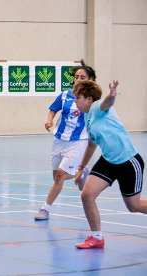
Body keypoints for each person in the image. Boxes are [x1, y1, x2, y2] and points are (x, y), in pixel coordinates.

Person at [73, 80, 146, 249]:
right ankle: (96, 238)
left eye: (78, 97)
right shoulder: (87, 117)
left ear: (89, 99)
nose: (75, 101)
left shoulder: (97, 106)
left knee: (134, 206)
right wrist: (82, 167)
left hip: (128, 161)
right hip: (108, 161)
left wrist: (112, 95)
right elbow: (92, 144)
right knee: (87, 195)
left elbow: (107, 103)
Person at [34, 61, 95, 220]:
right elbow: (53, 108)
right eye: (76, 77)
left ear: (89, 80)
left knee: (60, 176)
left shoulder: (91, 100)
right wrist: (49, 120)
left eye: (82, 77)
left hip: (78, 141)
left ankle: (45, 209)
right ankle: (80, 174)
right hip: (59, 140)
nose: (78, 80)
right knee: (56, 177)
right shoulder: (64, 94)